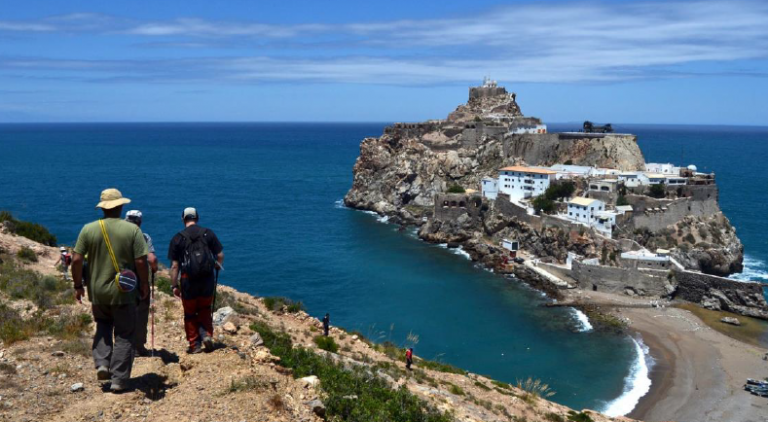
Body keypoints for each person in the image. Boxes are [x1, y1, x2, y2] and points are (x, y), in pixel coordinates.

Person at [70, 188, 149, 392]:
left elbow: (76, 260)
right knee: (124, 333)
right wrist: (144, 285)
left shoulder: (88, 229)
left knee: (103, 326)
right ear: (121, 206)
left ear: (103, 208)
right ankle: (119, 380)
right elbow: (141, 261)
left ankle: (103, 364)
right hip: (123, 291)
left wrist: (78, 286)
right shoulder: (133, 231)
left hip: (97, 292)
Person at [168, 207, 223, 354]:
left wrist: (174, 285)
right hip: (207, 279)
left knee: (190, 313)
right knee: (205, 308)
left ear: (183, 219)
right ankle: (206, 335)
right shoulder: (207, 233)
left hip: (188, 281)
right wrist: (217, 267)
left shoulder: (177, 238)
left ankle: (195, 345)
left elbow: (174, 266)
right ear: (197, 218)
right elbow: (220, 255)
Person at [125, 210, 158, 356]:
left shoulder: (117, 236)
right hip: (138, 281)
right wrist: (154, 269)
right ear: (140, 222)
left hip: (119, 280)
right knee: (141, 312)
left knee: (121, 313)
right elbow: (151, 259)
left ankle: (123, 346)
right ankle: (138, 347)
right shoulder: (144, 237)